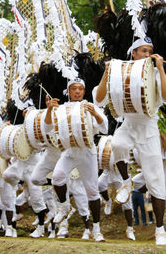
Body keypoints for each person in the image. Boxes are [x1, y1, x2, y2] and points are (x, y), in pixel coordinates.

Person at [94, 37, 166, 245]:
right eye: (143, 51)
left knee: (155, 180)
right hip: (128, 123)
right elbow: (99, 99)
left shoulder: (155, 73)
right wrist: (106, 71)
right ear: (134, 54)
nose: (147, 55)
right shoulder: (119, 72)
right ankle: (126, 181)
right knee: (118, 144)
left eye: (150, 51)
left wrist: (161, 68)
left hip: (148, 126)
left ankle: (159, 230)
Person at [45, 78, 108, 242]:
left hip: (87, 152)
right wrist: (48, 110)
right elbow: (47, 128)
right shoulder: (61, 109)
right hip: (69, 151)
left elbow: (105, 128)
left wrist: (95, 113)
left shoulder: (90, 106)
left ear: (84, 91)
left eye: (80, 89)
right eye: (74, 88)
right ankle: (65, 206)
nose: (77, 91)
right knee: (57, 178)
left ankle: (96, 229)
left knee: (92, 192)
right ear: (69, 91)